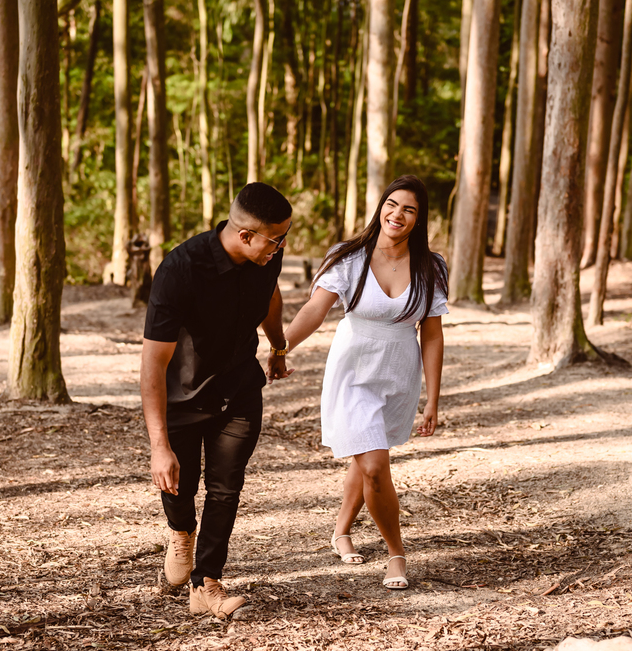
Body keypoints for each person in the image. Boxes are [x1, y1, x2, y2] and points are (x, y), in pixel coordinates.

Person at [279, 175, 446, 590]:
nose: (398, 214)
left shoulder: (431, 265)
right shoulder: (350, 255)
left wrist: (432, 399)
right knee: (374, 464)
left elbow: (433, 334)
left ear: (419, 218)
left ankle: (340, 531)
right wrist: (281, 348)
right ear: (380, 206)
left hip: (398, 372)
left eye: (409, 208)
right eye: (392, 204)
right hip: (354, 370)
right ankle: (397, 554)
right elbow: (315, 310)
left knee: (366, 453)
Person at [140, 183, 292, 619]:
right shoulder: (181, 269)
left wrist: (277, 346)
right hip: (183, 396)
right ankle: (181, 533)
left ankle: (205, 582)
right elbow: (153, 362)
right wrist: (158, 445)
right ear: (245, 235)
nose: (280, 248)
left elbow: (270, 295)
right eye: (275, 240)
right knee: (179, 484)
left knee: (226, 487)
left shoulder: (267, 254)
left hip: (239, 388)